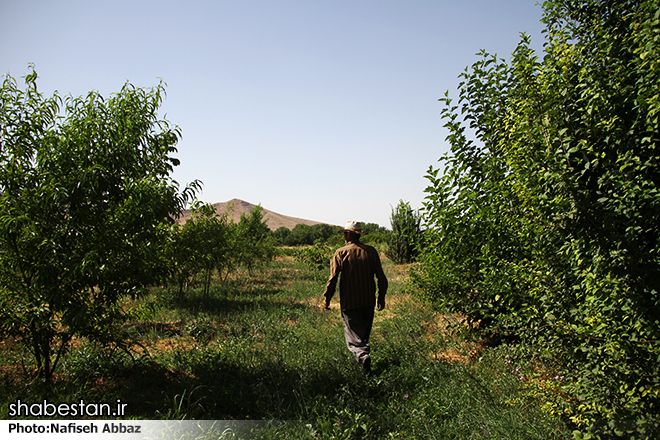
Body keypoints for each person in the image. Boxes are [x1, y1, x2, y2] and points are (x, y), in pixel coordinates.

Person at [323, 221, 388, 373]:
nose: (345, 236)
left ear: (349, 234)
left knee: (353, 336)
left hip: (350, 302)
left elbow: (333, 278)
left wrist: (327, 298)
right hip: (368, 301)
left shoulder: (341, 253)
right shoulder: (371, 252)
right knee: (363, 333)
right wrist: (382, 296)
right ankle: (363, 367)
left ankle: (362, 356)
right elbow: (381, 277)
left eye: (345, 233)